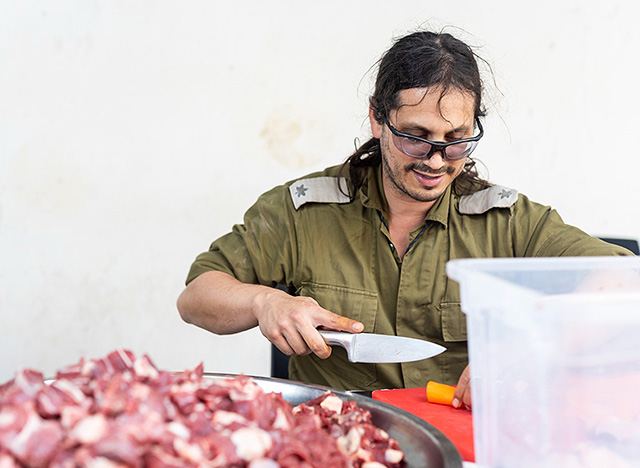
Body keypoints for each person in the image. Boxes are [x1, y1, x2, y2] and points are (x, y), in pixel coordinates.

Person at [177, 30, 631, 409]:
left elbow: (625, 281)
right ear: (378, 117)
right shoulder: (304, 212)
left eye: (456, 140)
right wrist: (263, 303)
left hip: (458, 442)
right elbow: (196, 297)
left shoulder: (508, 222)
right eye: (416, 137)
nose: (436, 160)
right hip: (336, 438)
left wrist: (536, 346)